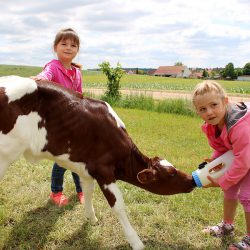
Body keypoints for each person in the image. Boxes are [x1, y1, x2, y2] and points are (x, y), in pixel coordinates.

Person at [192, 80, 250, 250]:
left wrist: (222, 180)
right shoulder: (212, 126)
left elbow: (243, 162)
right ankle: (227, 227)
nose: (209, 112)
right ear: (198, 112)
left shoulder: (240, 126)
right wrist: (216, 162)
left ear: (225, 101)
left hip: (246, 155)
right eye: (203, 109)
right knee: (230, 189)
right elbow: (223, 148)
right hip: (244, 153)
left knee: (247, 195)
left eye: (214, 105)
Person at [32, 28, 84, 206]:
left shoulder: (77, 72)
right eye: (64, 44)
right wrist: (37, 79)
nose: (68, 47)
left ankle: (80, 190)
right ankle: (56, 192)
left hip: (74, 122)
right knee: (62, 159)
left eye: (73, 45)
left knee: (77, 157)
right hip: (57, 124)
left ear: (77, 50)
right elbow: (45, 76)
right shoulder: (53, 67)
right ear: (55, 47)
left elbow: (79, 96)